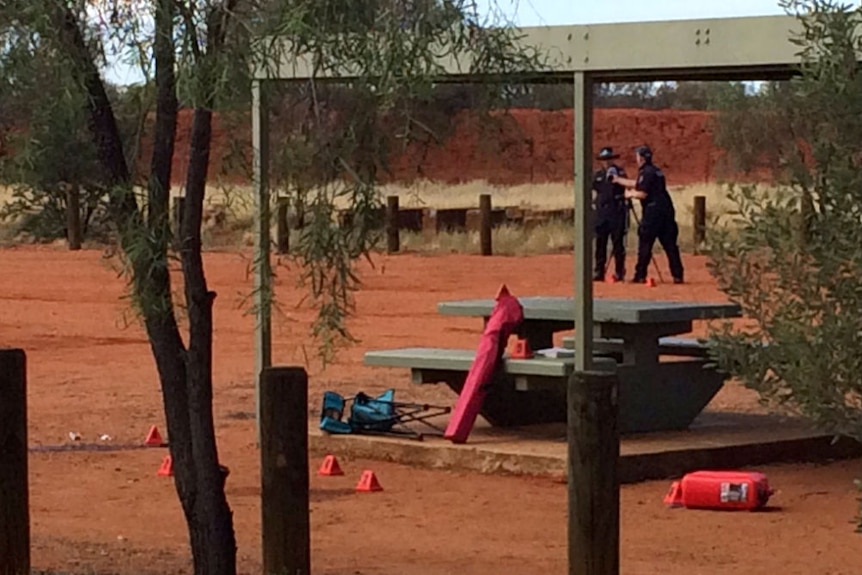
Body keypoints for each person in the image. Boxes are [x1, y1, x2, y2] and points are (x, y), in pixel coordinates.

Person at [609, 145, 684, 284]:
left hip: (653, 213)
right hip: (666, 212)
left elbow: (642, 193)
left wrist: (629, 194)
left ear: (641, 158)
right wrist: (618, 180)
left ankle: (640, 274)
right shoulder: (656, 171)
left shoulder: (646, 172)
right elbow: (639, 184)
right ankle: (678, 274)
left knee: (645, 244)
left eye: (637, 156)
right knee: (670, 245)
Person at [591, 146, 630, 282]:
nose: (607, 162)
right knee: (600, 243)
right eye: (604, 160)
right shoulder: (597, 175)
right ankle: (599, 271)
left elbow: (627, 187)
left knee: (618, 244)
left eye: (609, 159)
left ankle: (619, 271)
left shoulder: (619, 173)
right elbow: (590, 189)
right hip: (602, 213)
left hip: (617, 212)